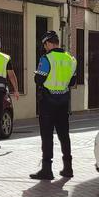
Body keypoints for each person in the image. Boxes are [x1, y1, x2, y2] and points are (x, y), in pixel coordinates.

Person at [30, 30, 77, 180]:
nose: (44, 48)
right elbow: (73, 82)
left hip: (48, 102)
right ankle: (68, 168)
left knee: (47, 136)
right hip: (63, 101)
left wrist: (36, 74)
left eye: (44, 45)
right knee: (64, 135)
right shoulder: (71, 59)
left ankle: (47, 169)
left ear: (48, 43)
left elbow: (39, 80)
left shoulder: (46, 59)